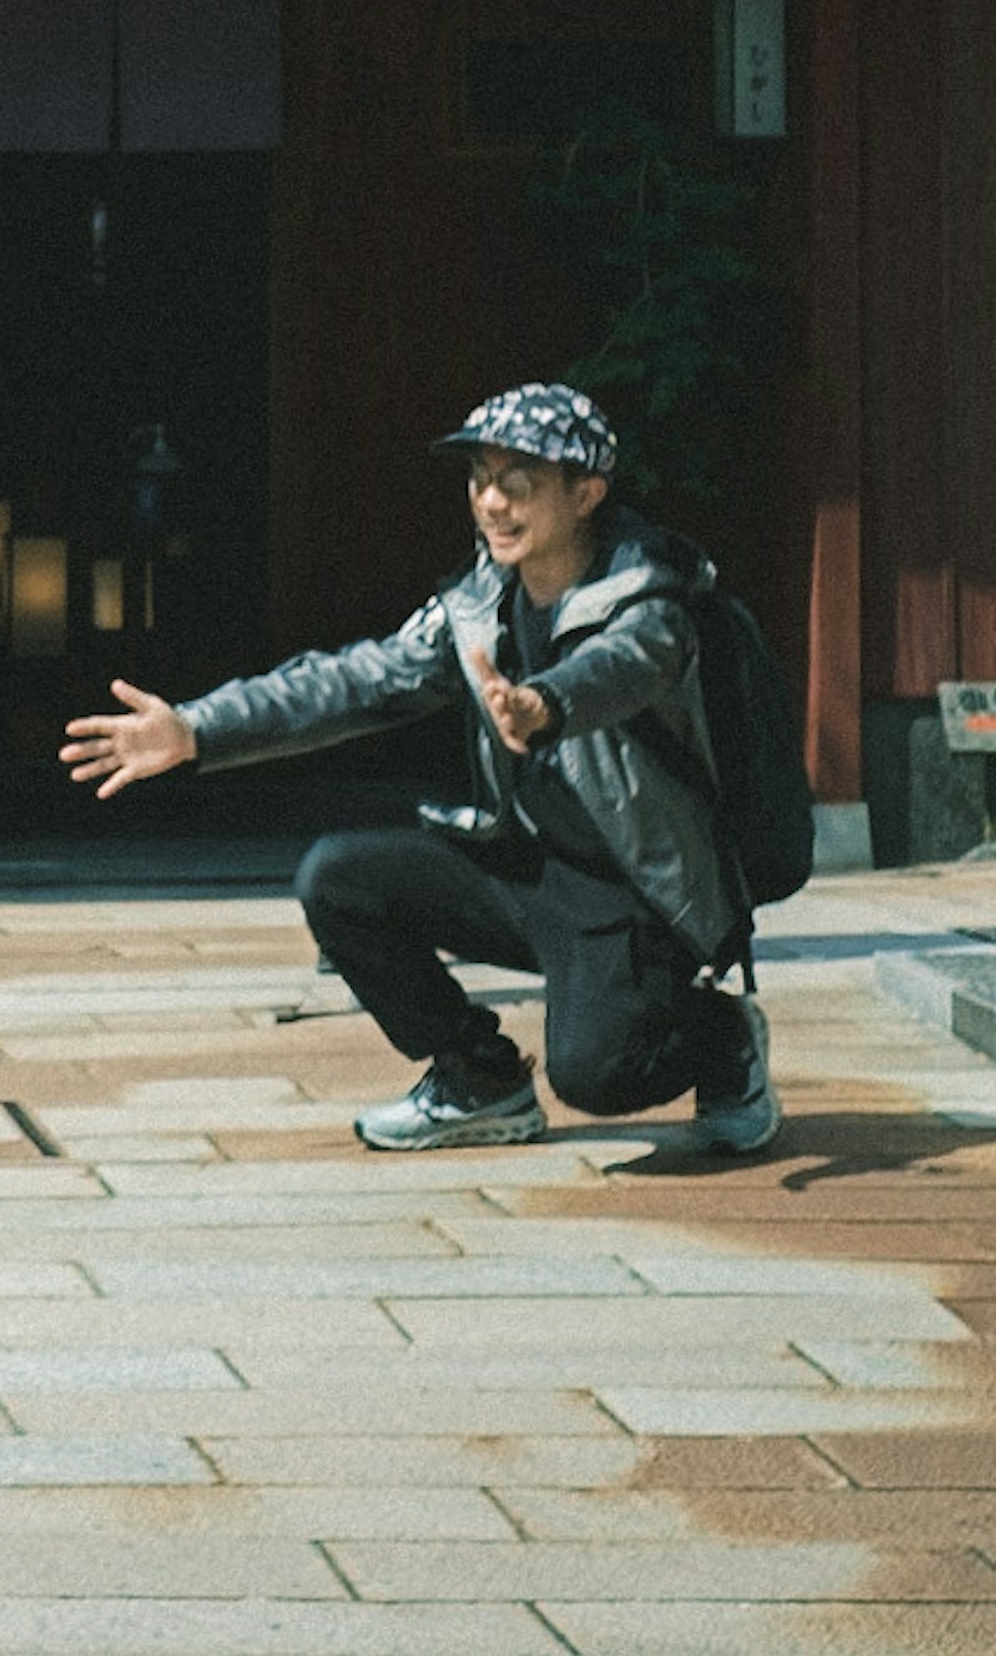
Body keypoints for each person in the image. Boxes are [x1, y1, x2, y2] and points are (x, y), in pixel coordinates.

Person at [61, 380, 778, 1157]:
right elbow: (357, 679)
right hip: (527, 870)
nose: (492, 502)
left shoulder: (652, 600)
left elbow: (622, 668)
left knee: (598, 1078)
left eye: (518, 481)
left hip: (636, 900)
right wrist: (198, 730)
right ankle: (479, 1078)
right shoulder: (480, 602)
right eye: (479, 480)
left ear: (586, 493)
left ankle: (718, 1035)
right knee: (341, 877)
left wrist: (544, 705)